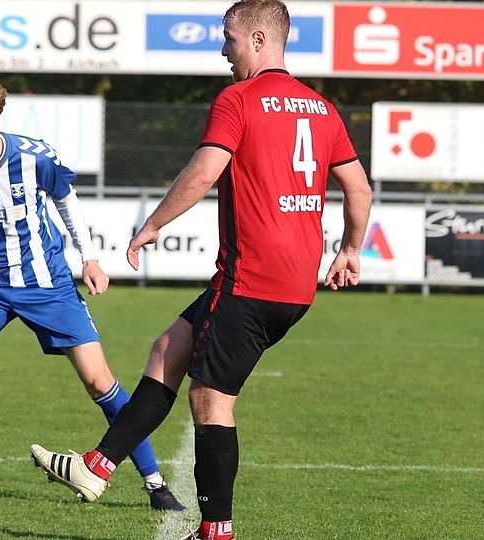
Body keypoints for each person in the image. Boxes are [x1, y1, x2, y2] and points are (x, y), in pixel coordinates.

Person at [29, 1, 373, 538]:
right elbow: (360, 189)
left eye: (229, 39)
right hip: (293, 285)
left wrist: (153, 224)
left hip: (251, 280)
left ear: (260, 41)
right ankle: (98, 466)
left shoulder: (239, 99)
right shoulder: (321, 109)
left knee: (210, 401)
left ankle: (216, 530)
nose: (223, 50)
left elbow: (203, 171)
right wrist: (350, 249)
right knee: (169, 349)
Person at [0, 72, 185, 513]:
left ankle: (154, 482)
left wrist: (88, 258)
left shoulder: (34, 157)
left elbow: (66, 201)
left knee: (100, 382)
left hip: (48, 284)